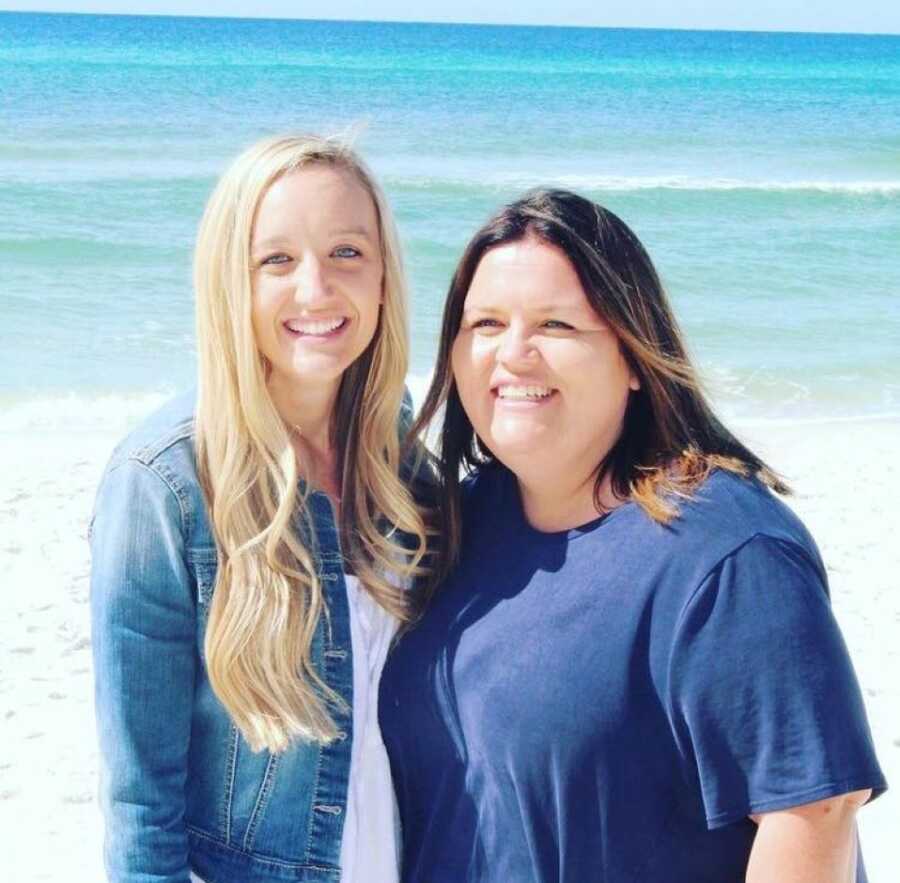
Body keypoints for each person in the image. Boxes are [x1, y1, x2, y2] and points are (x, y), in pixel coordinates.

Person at [379, 189, 887, 883]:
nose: (514, 354)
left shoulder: (726, 552)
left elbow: (815, 812)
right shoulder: (452, 528)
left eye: (556, 325)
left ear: (634, 358)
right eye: (486, 323)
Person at [89, 134, 431, 883]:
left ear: (383, 278)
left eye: (347, 252)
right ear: (230, 283)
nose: (316, 288)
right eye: (276, 260)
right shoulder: (165, 483)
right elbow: (142, 807)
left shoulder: (396, 449)